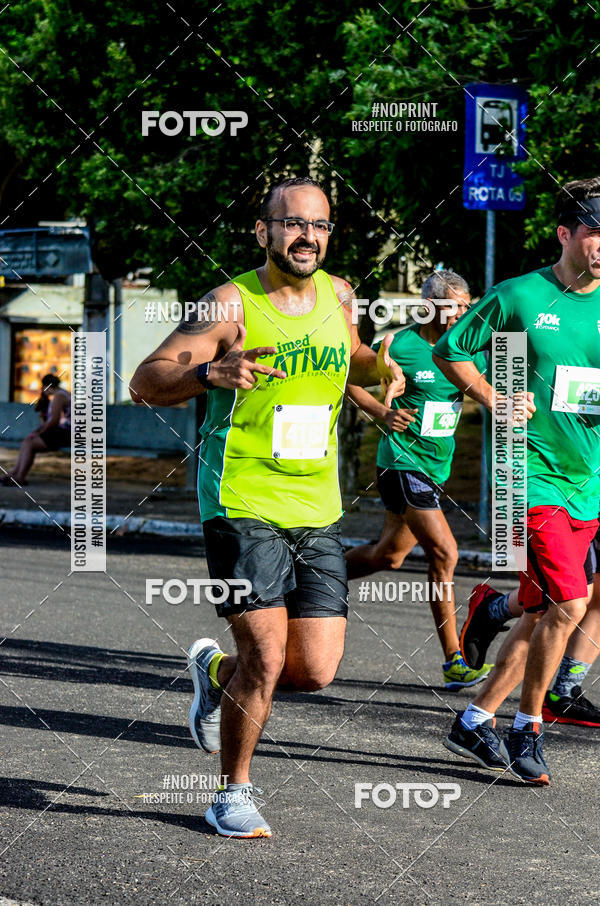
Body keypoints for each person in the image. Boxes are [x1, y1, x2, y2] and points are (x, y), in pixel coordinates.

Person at [130, 176, 406, 838]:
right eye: (291, 224)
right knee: (268, 656)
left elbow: (345, 360)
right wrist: (207, 374)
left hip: (317, 503)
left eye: (319, 225)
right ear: (264, 231)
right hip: (241, 498)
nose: (306, 235)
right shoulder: (230, 306)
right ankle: (232, 792)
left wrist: (379, 378)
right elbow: (145, 380)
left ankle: (213, 672)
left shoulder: (340, 295)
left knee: (313, 669)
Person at [435, 177, 600, 784]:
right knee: (570, 603)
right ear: (566, 233)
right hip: (531, 475)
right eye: (593, 232)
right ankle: (528, 727)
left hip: (591, 480)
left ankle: (474, 720)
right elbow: (452, 349)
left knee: (538, 614)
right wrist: (490, 394)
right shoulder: (520, 296)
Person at [344, 271, 492, 690]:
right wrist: (383, 413)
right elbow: (348, 382)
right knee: (446, 553)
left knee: (387, 556)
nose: (463, 313)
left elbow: (491, 386)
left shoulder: (466, 350)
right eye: (455, 306)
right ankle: (454, 661)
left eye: (467, 306)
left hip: (435, 469)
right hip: (401, 465)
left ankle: (309, 578)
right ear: (429, 305)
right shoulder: (401, 346)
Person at [459, 528, 600, 726]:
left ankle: (562, 695)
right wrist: (507, 516)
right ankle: (481, 720)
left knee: (576, 597)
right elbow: (506, 501)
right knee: (553, 605)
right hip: (540, 506)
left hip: (581, 508)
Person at [1, 373, 71, 487]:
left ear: (47, 386)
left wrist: (39, 432)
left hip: (68, 434)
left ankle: (19, 477)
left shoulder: (59, 396)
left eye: (43, 387)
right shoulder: (63, 394)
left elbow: (54, 420)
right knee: (28, 441)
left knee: (30, 443)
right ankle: (15, 473)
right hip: (66, 432)